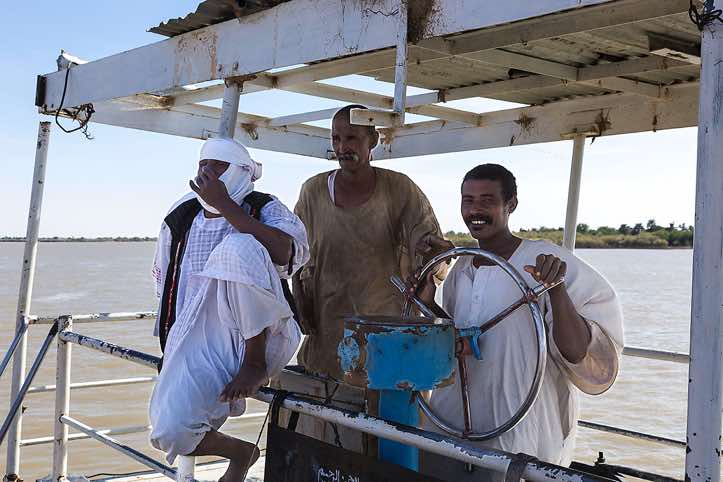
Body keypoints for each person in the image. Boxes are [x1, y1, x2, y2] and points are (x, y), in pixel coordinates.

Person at [412, 164, 624, 480]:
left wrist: (557, 289)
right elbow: (461, 338)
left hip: (520, 430)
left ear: (511, 204)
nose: (475, 210)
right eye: (468, 200)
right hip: (455, 422)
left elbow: (578, 353)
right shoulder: (461, 267)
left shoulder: (546, 260)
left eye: (487, 200)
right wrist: (428, 304)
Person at [281, 104, 449, 453]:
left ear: (374, 140)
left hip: (387, 355)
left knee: (387, 457)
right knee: (324, 455)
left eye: (353, 138)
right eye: (337, 138)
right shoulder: (312, 192)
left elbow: (434, 255)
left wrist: (432, 254)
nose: (344, 147)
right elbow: (293, 256)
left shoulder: (400, 190)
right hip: (326, 350)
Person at [148, 137, 309, 481]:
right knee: (170, 431)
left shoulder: (264, 207)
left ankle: (253, 362)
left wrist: (227, 207)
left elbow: (287, 254)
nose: (208, 172)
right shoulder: (182, 214)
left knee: (236, 247)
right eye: (203, 165)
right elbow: (164, 282)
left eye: (219, 166)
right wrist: (172, 341)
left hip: (258, 332)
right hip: (196, 334)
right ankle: (242, 453)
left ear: (242, 173)